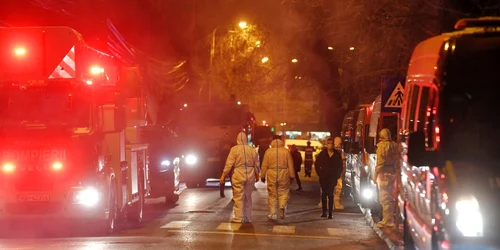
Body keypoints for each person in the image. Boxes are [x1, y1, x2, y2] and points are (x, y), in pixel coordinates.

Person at [220, 132, 260, 223]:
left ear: (237, 139)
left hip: (238, 173)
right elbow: (257, 163)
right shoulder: (252, 150)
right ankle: (248, 217)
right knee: (248, 196)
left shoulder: (234, 149)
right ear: (246, 139)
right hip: (250, 174)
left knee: (238, 196)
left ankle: (238, 217)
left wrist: (223, 175)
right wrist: (257, 174)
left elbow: (229, 164)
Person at [260, 136, 295, 220]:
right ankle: (282, 206)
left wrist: (262, 176)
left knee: (272, 194)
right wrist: (292, 175)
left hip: (271, 173)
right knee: (283, 191)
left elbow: (264, 164)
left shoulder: (268, 151)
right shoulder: (286, 151)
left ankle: (272, 214)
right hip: (283, 173)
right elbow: (290, 164)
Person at [374, 128, 398, 228]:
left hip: (383, 173)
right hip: (393, 173)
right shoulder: (395, 145)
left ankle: (387, 220)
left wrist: (375, 175)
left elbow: (380, 162)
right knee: (391, 197)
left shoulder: (382, 146)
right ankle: (391, 219)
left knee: (384, 198)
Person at [315, 137, 342, 219]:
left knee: (331, 194)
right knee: (324, 194)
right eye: (328, 143)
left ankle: (330, 213)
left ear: (333, 145)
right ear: (326, 144)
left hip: (332, 178)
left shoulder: (337, 154)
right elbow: (317, 164)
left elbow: (340, 166)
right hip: (324, 177)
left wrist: (337, 175)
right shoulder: (322, 154)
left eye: (331, 143)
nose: (330, 145)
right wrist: (320, 174)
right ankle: (324, 212)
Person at [219, 132, 235, 198]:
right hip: (223, 162)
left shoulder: (231, 143)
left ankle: (234, 193)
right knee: (223, 179)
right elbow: (220, 150)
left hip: (229, 163)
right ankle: (221, 193)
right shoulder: (221, 143)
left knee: (232, 179)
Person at [333, 137, 346, 210]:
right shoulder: (339, 152)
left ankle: (330, 203)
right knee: (337, 189)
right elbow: (343, 164)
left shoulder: (331, 151)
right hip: (337, 173)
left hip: (335, 173)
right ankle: (336, 203)